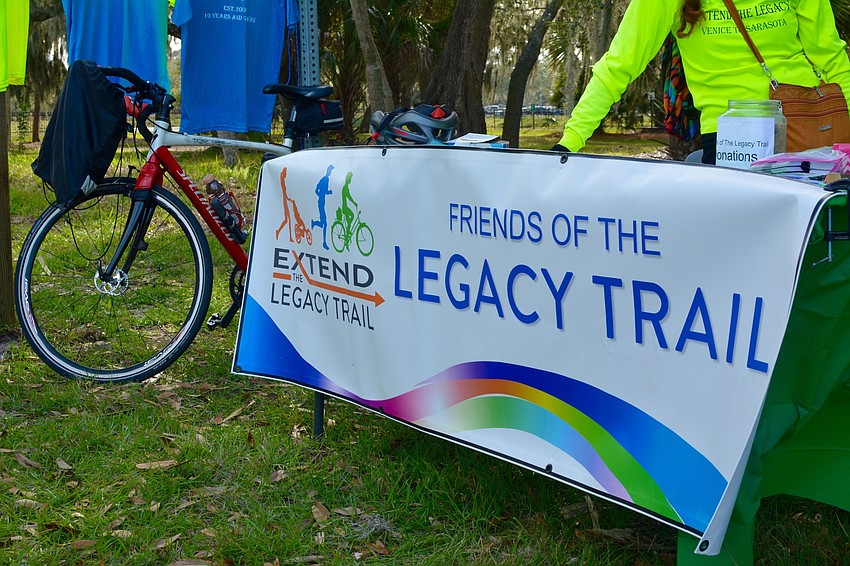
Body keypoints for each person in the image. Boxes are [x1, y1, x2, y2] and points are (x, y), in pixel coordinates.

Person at [551, 0, 850, 164]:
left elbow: (833, 61)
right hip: (729, 140)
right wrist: (569, 141)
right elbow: (618, 65)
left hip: (807, 130)